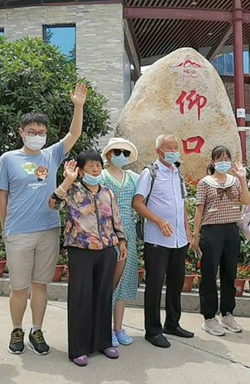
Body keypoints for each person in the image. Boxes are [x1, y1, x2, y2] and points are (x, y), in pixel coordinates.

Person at [0, 83, 87, 356]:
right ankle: (17, 329)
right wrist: (5, 229)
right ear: (21, 132)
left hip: (48, 229)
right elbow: (2, 196)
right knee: (19, 287)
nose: (37, 136)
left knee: (40, 285)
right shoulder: (8, 159)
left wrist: (78, 106)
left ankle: (36, 330)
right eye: (31, 132)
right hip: (18, 233)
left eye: (41, 132)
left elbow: (74, 133)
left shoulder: (52, 154)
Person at [49, 152, 128, 367]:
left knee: (103, 297)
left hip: (106, 250)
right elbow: (53, 203)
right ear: (81, 170)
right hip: (81, 249)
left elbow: (116, 219)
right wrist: (68, 179)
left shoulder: (107, 193)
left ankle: (102, 343)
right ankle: (78, 348)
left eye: (98, 165)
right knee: (80, 299)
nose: (95, 169)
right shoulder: (72, 190)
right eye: (91, 166)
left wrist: (121, 241)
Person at [133, 134, 194, 348]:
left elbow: (182, 204)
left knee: (176, 283)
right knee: (155, 285)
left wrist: (188, 231)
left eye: (176, 147)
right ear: (159, 151)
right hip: (157, 239)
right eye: (169, 147)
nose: (174, 151)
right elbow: (138, 203)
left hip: (179, 240)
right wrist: (158, 221)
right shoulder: (150, 173)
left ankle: (172, 323)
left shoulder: (177, 173)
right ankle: (152, 330)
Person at [190, 146, 250, 337]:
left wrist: (242, 178)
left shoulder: (235, 180)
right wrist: (195, 236)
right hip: (211, 232)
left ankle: (227, 313)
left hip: (231, 230)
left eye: (226, 157)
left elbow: (246, 202)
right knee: (209, 274)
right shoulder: (204, 183)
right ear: (213, 161)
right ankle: (209, 318)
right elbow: (199, 210)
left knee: (230, 273)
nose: (223, 161)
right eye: (219, 158)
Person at [100, 137, 140, 348]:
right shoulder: (101, 177)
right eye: (117, 152)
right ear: (108, 155)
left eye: (125, 153)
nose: (121, 156)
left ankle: (119, 327)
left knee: (124, 281)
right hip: (107, 235)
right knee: (108, 281)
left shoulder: (133, 177)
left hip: (129, 235)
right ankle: (104, 327)